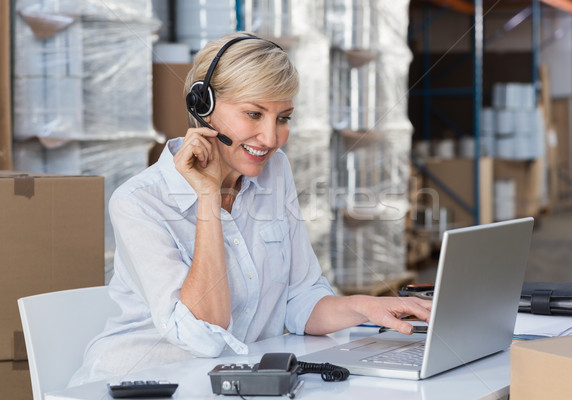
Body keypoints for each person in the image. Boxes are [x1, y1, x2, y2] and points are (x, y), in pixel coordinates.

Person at [69, 32, 431, 386]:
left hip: (234, 380)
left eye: (283, 117)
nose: (271, 138)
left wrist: (365, 308)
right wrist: (208, 198)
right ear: (203, 107)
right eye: (253, 114)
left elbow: (299, 297)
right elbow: (205, 335)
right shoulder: (139, 202)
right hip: (145, 384)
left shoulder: (276, 172)